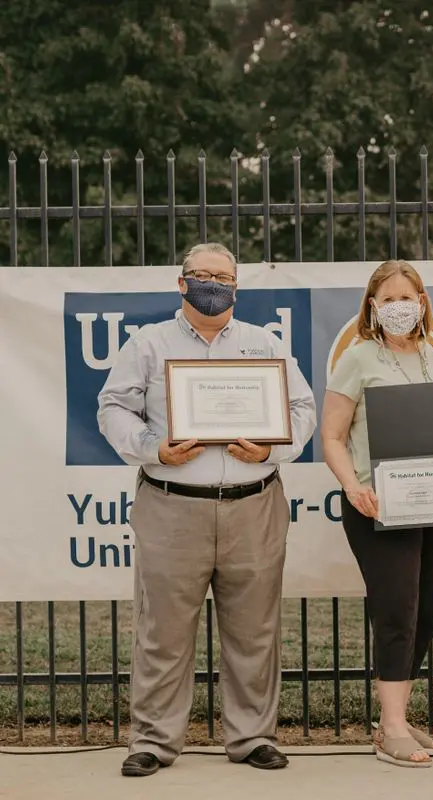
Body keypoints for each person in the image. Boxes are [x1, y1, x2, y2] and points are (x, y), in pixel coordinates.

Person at [96, 242, 317, 777]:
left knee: (255, 631)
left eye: (224, 277)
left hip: (253, 505)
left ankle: (252, 737)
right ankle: (152, 740)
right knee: (162, 632)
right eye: (202, 275)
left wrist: (272, 449)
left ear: (237, 287)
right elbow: (112, 406)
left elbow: (301, 407)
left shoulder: (264, 344)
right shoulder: (149, 344)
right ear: (182, 283)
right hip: (172, 504)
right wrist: (155, 448)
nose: (213, 284)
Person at [320, 260, 433, 768]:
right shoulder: (357, 358)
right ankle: (390, 728)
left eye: (405, 296)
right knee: (396, 611)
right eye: (387, 299)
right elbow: (331, 436)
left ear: (423, 301)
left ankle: (396, 714)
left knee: (427, 610)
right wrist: (352, 487)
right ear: (372, 306)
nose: (397, 306)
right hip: (378, 505)